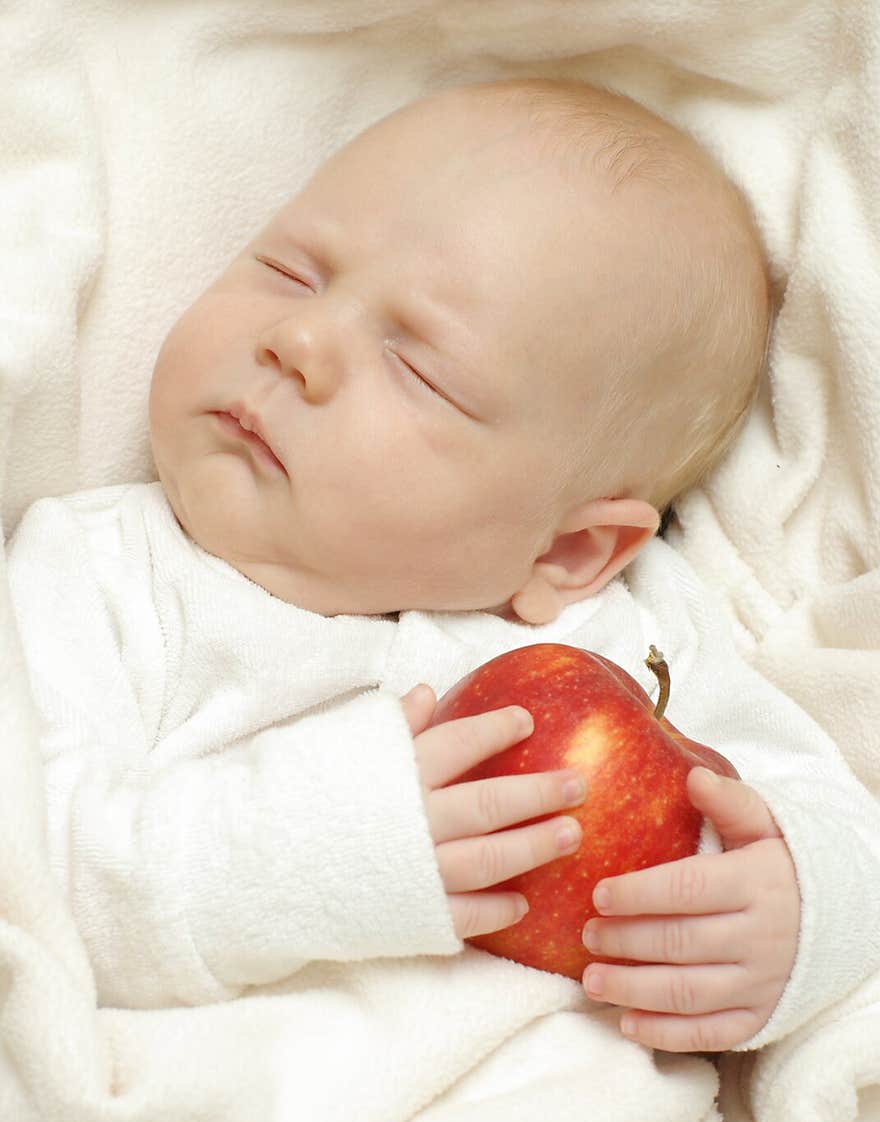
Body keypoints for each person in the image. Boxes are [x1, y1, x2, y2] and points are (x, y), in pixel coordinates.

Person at [7, 77, 879, 1057]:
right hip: (239, 1107)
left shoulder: (625, 639)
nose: (296, 340)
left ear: (567, 549)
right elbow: (37, 883)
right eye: (292, 270)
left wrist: (793, 920)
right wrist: (319, 843)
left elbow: (831, 819)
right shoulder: (100, 575)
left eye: (417, 366)